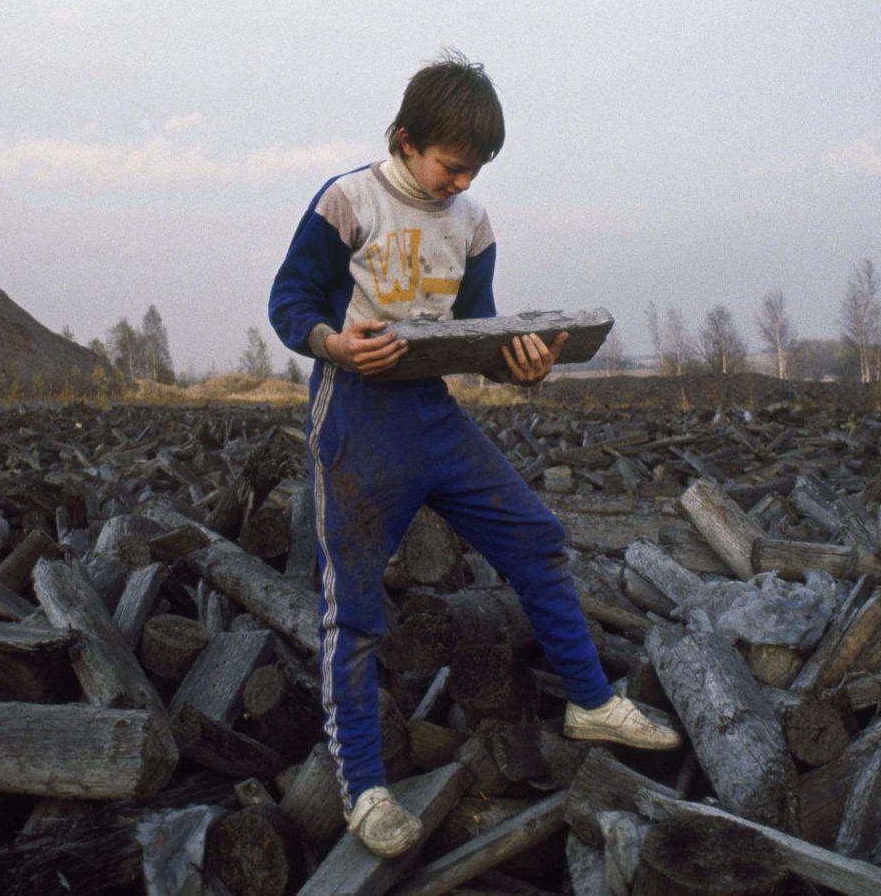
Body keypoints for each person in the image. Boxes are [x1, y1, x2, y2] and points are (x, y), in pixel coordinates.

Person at [267, 51, 679, 859]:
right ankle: (365, 789)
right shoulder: (346, 201)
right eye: (452, 166)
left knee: (537, 538)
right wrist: (333, 344)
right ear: (406, 138)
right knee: (351, 607)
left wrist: (518, 365)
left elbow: (476, 329)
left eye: (476, 170)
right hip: (355, 415)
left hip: (434, 416)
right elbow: (290, 303)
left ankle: (590, 700)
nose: (462, 182)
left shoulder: (473, 222)